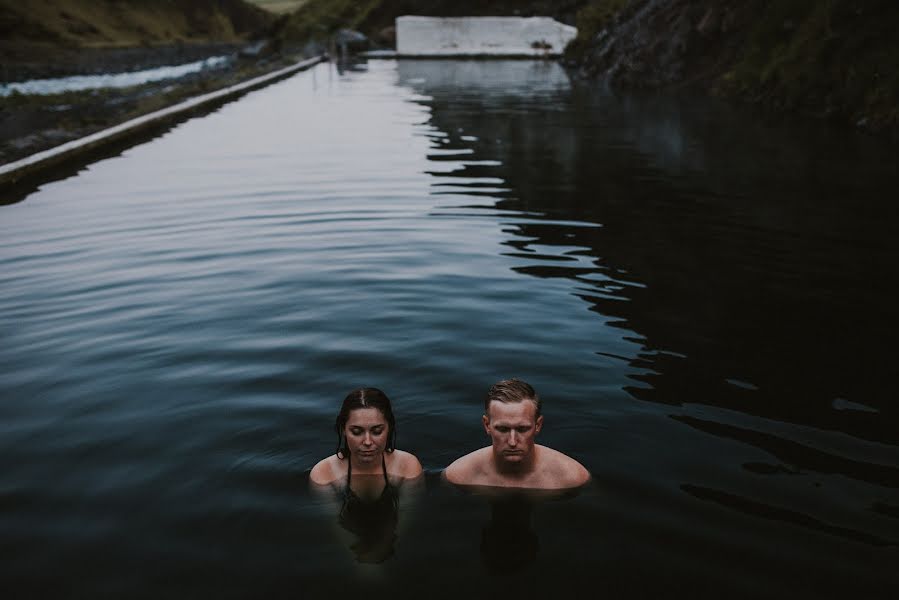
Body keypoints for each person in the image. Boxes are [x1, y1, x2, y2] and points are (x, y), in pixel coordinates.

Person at [310, 387, 423, 563]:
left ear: (389, 428)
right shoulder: (323, 474)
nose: (368, 442)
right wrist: (359, 563)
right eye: (357, 432)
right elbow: (336, 530)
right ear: (343, 430)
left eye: (377, 431)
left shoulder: (407, 467)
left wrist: (384, 550)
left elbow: (404, 524)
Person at [444, 378, 590, 490]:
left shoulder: (572, 477)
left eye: (522, 429)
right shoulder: (458, 475)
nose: (512, 442)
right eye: (502, 429)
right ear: (487, 425)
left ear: (538, 425)